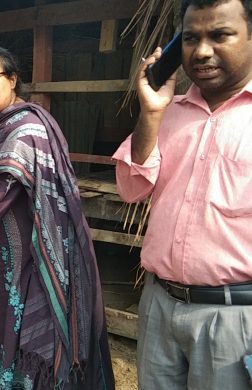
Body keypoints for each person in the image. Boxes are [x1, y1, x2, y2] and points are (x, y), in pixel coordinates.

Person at [0, 43, 114, 389]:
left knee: (33, 340)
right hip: (7, 262)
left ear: (12, 79)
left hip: (36, 261)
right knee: (4, 327)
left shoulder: (25, 129)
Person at [112, 0, 252, 388]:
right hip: (160, 304)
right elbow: (130, 188)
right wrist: (151, 114)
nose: (202, 51)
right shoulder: (167, 112)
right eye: (191, 38)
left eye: (221, 35)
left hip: (236, 317)